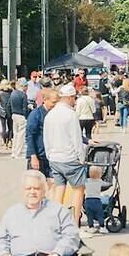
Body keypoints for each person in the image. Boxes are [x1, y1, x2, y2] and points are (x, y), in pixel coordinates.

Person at [44, 83, 86, 223]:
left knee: (59, 188)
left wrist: (49, 155)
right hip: (70, 157)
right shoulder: (71, 115)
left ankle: (56, 220)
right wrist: (81, 158)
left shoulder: (50, 114)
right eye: (74, 98)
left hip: (55, 157)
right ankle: (74, 220)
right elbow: (76, 138)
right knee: (78, 189)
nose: (75, 101)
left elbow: (46, 138)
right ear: (69, 97)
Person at [26, 88, 56, 182]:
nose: (55, 105)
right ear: (45, 100)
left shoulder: (55, 114)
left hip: (51, 156)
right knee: (36, 184)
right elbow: (30, 136)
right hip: (39, 156)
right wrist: (33, 156)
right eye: (53, 102)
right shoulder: (36, 114)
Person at [82, 165, 110, 234]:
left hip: (88, 201)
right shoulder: (99, 181)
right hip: (97, 201)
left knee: (90, 215)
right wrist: (110, 184)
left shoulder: (86, 181)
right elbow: (106, 184)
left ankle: (91, 227)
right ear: (99, 175)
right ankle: (102, 227)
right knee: (100, 214)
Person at [9, 79, 30, 158]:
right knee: (21, 135)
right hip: (21, 116)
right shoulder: (23, 95)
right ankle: (18, 153)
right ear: (24, 86)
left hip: (14, 114)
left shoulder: (13, 93)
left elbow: (8, 105)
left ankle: (13, 152)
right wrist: (26, 116)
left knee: (16, 134)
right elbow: (24, 108)